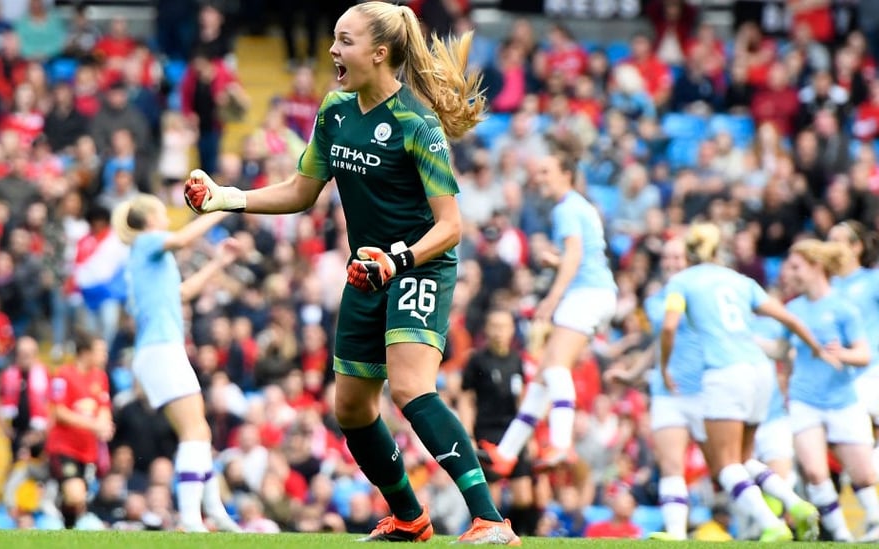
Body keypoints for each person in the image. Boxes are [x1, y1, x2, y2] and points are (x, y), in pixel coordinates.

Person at [184, 2, 519, 543]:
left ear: (380, 53)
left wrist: (399, 259)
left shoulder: (416, 121)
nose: (333, 50)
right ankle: (410, 517)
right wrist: (229, 198)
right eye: (335, 40)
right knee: (352, 407)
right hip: (368, 271)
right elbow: (300, 191)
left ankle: (490, 520)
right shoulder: (335, 110)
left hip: (418, 266)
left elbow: (451, 226)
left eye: (345, 40)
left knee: (411, 389)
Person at [661, 223, 827, 542]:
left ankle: (771, 524)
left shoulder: (681, 281)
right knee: (744, 459)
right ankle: (796, 504)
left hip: (724, 372)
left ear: (690, 253)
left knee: (724, 465)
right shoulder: (739, 280)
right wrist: (817, 348)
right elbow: (789, 318)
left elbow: (669, 327)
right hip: (759, 370)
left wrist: (665, 365)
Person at [478, 148, 617, 476]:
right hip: (596, 290)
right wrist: (556, 262)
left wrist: (552, 298)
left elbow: (574, 256)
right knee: (543, 377)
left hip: (586, 294)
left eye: (545, 171)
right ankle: (508, 452)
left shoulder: (566, 209)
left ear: (565, 174)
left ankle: (561, 443)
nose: (539, 178)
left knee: (556, 367)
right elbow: (585, 256)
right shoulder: (579, 206)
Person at [111, 193, 241, 533]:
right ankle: (190, 517)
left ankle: (214, 512)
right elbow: (183, 239)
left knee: (200, 429)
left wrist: (219, 264)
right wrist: (223, 206)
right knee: (194, 431)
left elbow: (181, 293)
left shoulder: (146, 255)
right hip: (161, 349)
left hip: (158, 351)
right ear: (151, 217)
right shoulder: (147, 242)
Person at [775, 240, 879, 542]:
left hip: (841, 399)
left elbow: (864, 355)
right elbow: (782, 350)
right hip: (804, 399)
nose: (790, 273)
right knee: (815, 472)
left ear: (815, 266)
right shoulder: (792, 310)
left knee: (863, 476)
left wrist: (841, 354)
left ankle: (874, 520)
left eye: (796, 267)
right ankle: (841, 535)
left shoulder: (843, 308)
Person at [604, 238, 701, 540]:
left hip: (703, 388)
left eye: (678, 257)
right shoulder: (657, 300)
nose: (671, 263)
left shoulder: (700, 293)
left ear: (690, 261)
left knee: (728, 464)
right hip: (666, 389)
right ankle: (676, 534)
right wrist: (633, 373)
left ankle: (776, 518)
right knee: (670, 463)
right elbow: (660, 342)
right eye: (668, 257)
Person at [458, 309, 538, 536]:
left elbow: (522, 398)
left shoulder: (516, 360)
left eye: (504, 326)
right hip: (487, 431)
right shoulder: (477, 360)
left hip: (514, 432)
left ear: (512, 330)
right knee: (492, 495)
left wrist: (529, 436)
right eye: (494, 326)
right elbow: (466, 398)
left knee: (524, 496)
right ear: (487, 329)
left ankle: (514, 533)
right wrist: (468, 433)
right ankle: (487, 531)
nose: (499, 332)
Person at [44, 331, 113, 528]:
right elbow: (58, 412)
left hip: (88, 449)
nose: (104, 355)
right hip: (63, 447)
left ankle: (67, 529)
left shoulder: (100, 377)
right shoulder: (63, 375)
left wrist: (105, 426)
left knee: (78, 499)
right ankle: (53, 499)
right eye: (100, 351)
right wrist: (94, 425)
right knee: (75, 493)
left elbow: (104, 408)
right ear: (85, 352)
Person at [827, 220, 879, 469]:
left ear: (856, 247)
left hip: (873, 368)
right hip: (841, 375)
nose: (831, 247)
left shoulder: (871, 280)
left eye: (837, 241)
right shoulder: (827, 288)